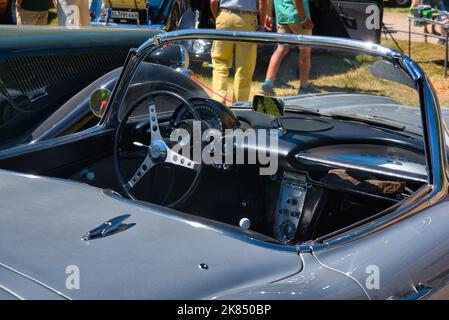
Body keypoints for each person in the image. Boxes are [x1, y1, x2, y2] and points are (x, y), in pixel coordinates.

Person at [210, 0, 267, 104]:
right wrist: (262, 26)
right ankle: (239, 106)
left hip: (224, 15)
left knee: (220, 63)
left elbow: (213, 1)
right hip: (247, 19)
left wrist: (218, 18)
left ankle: (218, 101)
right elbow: (262, 1)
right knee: (244, 68)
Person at [261, 0, 315, 95]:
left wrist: (268, 15)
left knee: (281, 49)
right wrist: (304, 19)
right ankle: (304, 87)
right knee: (305, 52)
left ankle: (268, 83)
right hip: (297, 16)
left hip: (281, 16)